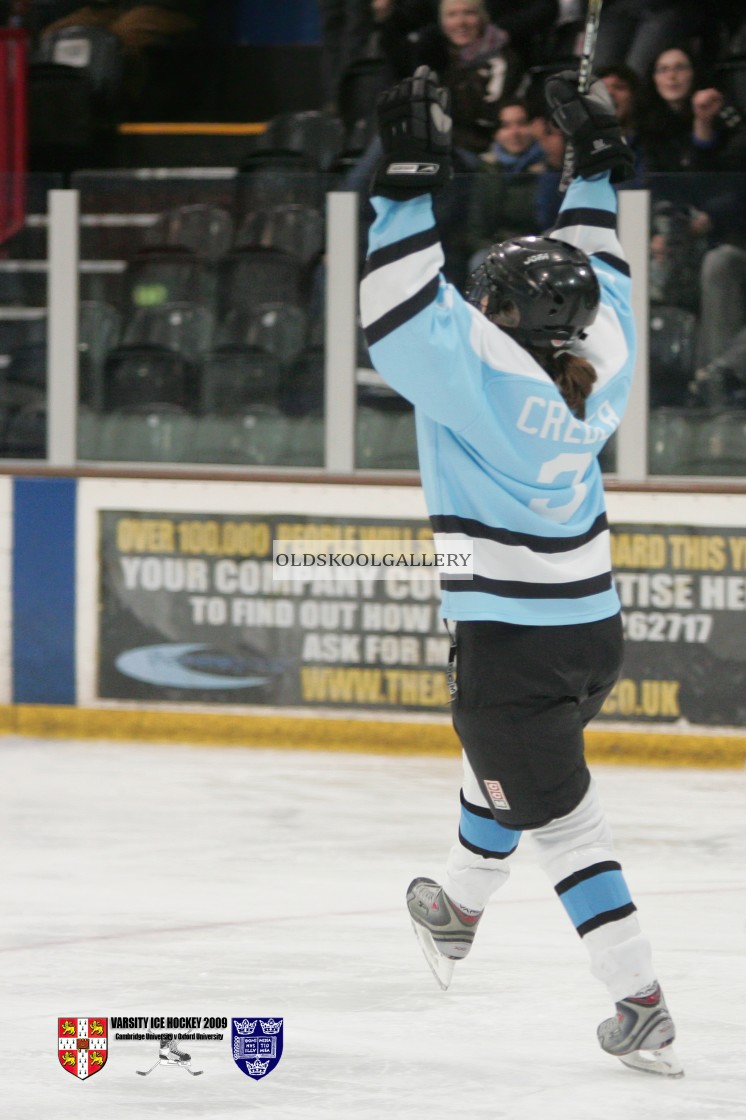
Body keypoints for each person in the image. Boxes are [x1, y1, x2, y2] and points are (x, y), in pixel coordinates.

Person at [359, 64, 683, 1077]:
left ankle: (638, 1001)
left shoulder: (479, 373)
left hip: (510, 649)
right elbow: (597, 270)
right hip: (590, 634)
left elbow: (400, 309)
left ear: (492, 309)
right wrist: (592, 167)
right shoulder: (603, 363)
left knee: (564, 822)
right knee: (510, 772)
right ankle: (453, 906)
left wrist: (402, 184)